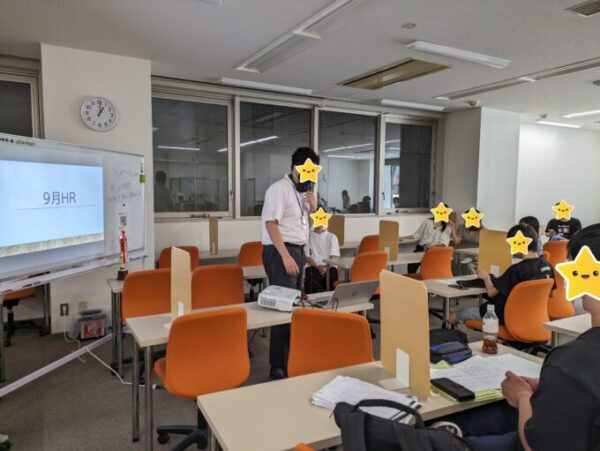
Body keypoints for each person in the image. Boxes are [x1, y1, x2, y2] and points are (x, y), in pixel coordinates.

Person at [437, 223, 600, 450]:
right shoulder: (545, 265)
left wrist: (522, 396)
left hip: (506, 319)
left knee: (461, 441)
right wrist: (556, 387)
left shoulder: (571, 362)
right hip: (535, 321)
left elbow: (536, 444)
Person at [261, 147, 318, 380]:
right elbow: (271, 224)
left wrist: (313, 207)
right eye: (305, 172)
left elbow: (305, 226)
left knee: (293, 307)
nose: (308, 178)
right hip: (281, 251)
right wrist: (285, 256)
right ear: (294, 168)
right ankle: (278, 367)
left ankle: (289, 360)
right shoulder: (279, 189)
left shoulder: (302, 192)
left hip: (297, 250)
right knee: (282, 308)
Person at [450, 224, 554, 326]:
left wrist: (486, 277)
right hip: (532, 317)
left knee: (456, 315)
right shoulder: (547, 266)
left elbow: (491, 293)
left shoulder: (516, 270)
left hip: (504, 314)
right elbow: (552, 293)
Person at [404, 205, 459, 273]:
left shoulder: (447, 227)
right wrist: (402, 237)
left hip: (434, 251)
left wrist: (434, 245)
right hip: (420, 249)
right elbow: (417, 235)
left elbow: (444, 243)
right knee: (411, 267)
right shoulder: (427, 221)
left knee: (428, 270)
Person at [304, 225, 340, 294]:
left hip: (328, 267)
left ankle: (331, 297)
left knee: (332, 273)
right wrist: (317, 267)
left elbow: (334, 257)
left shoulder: (332, 237)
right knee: (311, 273)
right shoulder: (307, 237)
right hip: (313, 267)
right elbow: (307, 258)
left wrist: (325, 269)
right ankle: (314, 298)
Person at [454, 209, 483, 274]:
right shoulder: (462, 227)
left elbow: (488, 241)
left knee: (470, 267)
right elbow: (456, 241)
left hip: (476, 256)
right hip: (464, 255)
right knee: (465, 265)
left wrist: (481, 225)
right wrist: (453, 229)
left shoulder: (482, 230)